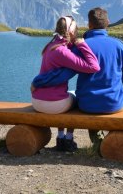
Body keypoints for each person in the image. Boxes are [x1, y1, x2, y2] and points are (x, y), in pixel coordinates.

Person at [32, 7, 123, 147]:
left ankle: (97, 140)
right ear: (108, 22)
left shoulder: (78, 47)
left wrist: (38, 81)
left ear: (89, 24)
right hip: (113, 103)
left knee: (90, 100)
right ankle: (120, 134)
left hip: (86, 104)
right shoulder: (119, 45)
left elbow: (62, 75)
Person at [31, 15, 100, 152]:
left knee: (66, 96)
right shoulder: (62, 51)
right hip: (52, 105)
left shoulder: (50, 45)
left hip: (37, 101)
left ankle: (60, 137)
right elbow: (94, 67)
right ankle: (67, 139)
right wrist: (82, 45)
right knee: (77, 98)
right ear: (71, 31)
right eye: (76, 29)